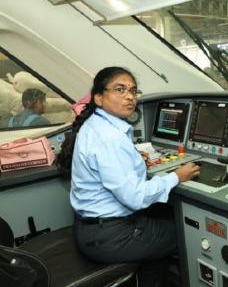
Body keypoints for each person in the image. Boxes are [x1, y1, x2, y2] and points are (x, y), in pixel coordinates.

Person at [56, 67, 200, 287]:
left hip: (89, 228)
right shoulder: (110, 139)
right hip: (111, 236)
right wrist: (176, 176)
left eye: (133, 90)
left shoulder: (95, 124)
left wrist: (133, 158)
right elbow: (134, 197)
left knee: (163, 213)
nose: (129, 96)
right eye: (119, 89)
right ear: (99, 97)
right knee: (186, 231)